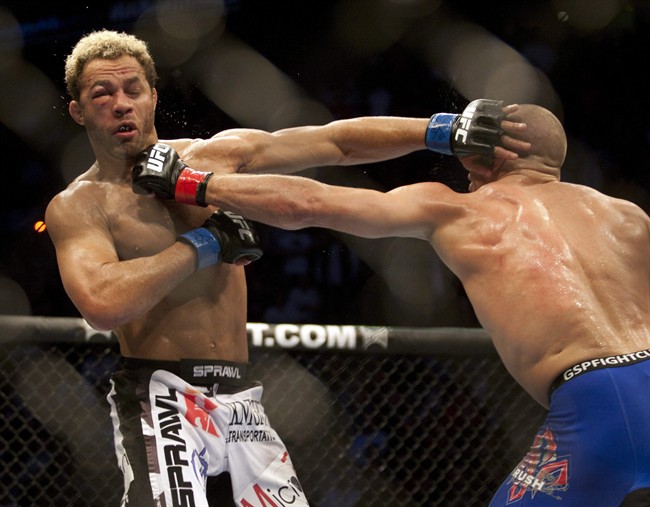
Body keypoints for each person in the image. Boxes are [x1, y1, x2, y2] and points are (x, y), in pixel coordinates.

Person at [44, 29, 524, 506]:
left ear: (152, 96)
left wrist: (440, 130)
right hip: (161, 395)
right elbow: (103, 302)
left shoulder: (212, 157)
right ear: (79, 111)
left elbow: (332, 143)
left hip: (240, 395)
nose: (121, 103)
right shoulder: (79, 205)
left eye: (133, 89)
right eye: (101, 94)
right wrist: (202, 245)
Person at [132, 103, 650, 505]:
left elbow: (312, 203)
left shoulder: (457, 210)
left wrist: (192, 182)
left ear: (496, 148)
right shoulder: (626, 216)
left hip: (596, 404)